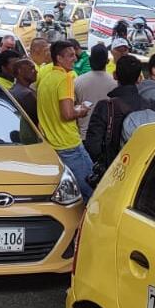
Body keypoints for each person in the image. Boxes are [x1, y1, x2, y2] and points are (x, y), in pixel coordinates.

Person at [84, 55, 155, 168]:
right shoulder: (152, 105)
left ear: (115, 75)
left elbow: (93, 146)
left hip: (115, 170)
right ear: (139, 79)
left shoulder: (106, 107)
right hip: (145, 169)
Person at [38, 41, 94, 194]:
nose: (75, 59)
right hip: (69, 145)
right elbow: (67, 114)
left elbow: (55, 109)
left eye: (74, 55)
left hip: (53, 145)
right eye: (70, 56)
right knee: (92, 189)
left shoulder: (46, 79)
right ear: (59, 58)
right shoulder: (65, 78)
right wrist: (81, 111)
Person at [73, 44, 116, 134]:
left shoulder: (77, 81)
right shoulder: (115, 83)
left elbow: (72, 108)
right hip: (107, 135)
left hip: (84, 134)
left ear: (89, 60)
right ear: (107, 61)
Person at [9, 58, 39, 123]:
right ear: (20, 71)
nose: (36, 71)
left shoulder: (13, 90)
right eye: (32, 69)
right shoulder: (26, 94)